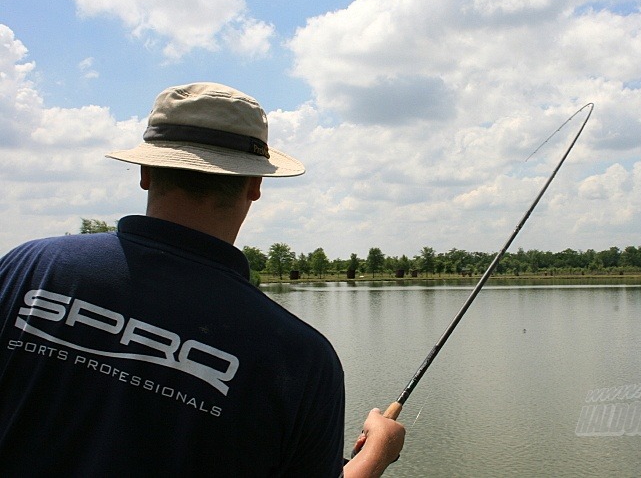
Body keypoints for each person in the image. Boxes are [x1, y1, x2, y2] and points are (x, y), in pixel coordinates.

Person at [0, 82, 404, 476]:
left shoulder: (28, 268)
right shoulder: (301, 358)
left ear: (145, 171)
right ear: (256, 184)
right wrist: (375, 456)